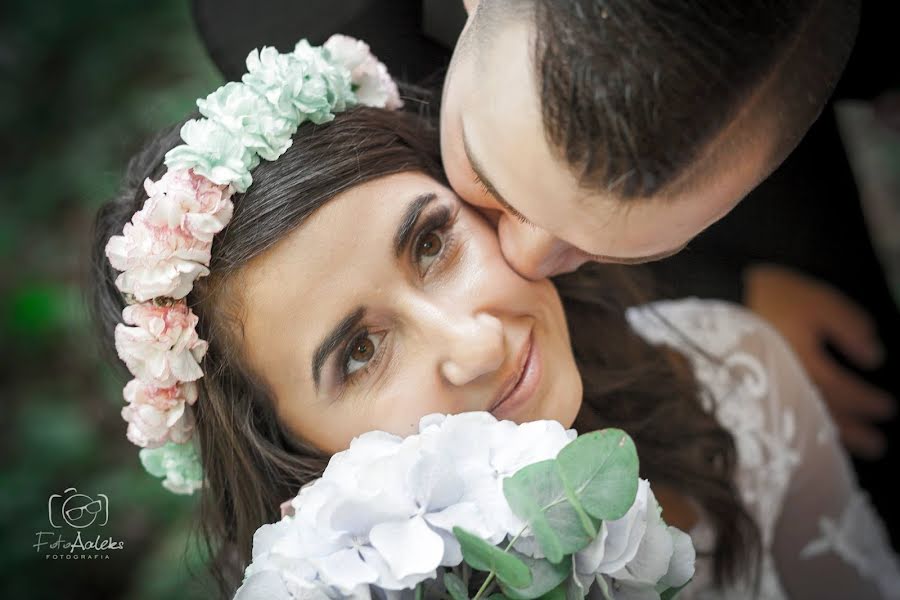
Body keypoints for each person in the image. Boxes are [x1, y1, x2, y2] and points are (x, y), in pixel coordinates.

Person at [88, 40, 900, 599]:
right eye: (362, 351)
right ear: (294, 455)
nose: (476, 343)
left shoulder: (737, 370)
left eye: (433, 242)